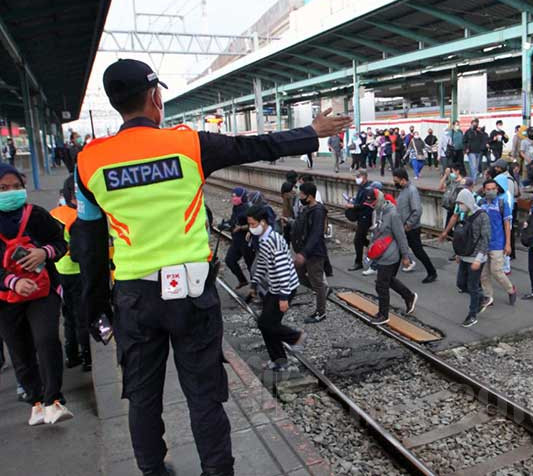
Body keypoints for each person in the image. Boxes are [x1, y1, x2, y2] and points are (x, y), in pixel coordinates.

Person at [72, 59, 349, 476]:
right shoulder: (187, 145)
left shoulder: (89, 162)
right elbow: (256, 146)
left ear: (115, 104)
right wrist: (312, 133)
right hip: (191, 293)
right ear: (155, 97)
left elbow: (88, 246)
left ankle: (153, 470)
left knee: (143, 398)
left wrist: (94, 308)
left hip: (133, 297)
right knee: (204, 394)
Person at [0, 164, 72, 426]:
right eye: (3, 188)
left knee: (47, 340)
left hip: (44, 291)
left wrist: (45, 252)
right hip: (6, 300)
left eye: (16, 187)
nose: (11, 192)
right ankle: (36, 401)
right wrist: (12, 281)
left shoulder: (36, 215)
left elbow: (61, 242)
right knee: (20, 351)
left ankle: (54, 399)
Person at [247, 206, 304, 372]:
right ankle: (279, 360)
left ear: (263, 223)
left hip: (284, 287)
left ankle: (296, 337)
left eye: (253, 224)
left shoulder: (272, 240)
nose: (251, 228)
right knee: (267, 324)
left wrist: (284, 297)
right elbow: (263, 265)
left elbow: (283, 270)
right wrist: (254, 284)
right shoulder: (264, 239)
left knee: (266, 323)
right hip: (275, 286)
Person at [50, 175, 92, 372]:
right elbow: (78, 253)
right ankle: (87, 357)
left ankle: (71, 355)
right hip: (77, 273)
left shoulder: (53, 213)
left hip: (58, 273)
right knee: (82, 316)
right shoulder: (77, 218)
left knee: (68, 316)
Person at [366, 188, 417, 325]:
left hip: (391, 254)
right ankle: (409, 296)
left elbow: (401, 236)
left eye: (373, 202)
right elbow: (376, 231)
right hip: (380, 252)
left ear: (379, 200)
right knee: (387, 280)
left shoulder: (393, 214)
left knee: (381, 284)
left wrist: (406, 256)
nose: (371, 205)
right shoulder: (376, 211)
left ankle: (384, 314)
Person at [293, 182, 330, 324]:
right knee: (300, 275)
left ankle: (321, 312)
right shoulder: (308, 208)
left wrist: (304, 253)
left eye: (302, 194)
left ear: (309, 196)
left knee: (317, 281)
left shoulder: (318, 211)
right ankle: (321, 290)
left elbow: (315, 234)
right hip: (306, 251)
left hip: (314, 253)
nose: (300, 197)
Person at [452, 189, 489, 328]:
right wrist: (459, 254)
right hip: (465, 256)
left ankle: (472, 315)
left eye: (461, 203)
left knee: (472, 286)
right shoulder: (465, 214)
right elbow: (463, 237)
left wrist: (479, 259)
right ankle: (482, 297)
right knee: (461, 283)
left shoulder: (482, 216)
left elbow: (485, 238)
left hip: (476, 258)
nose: (460, 206)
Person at [393, 167, 437, 283]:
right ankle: (390, 275)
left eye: (396, 180)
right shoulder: (404, 190)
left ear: (403, 179)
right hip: (404, 227)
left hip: (410, 228)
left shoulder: (412, 190)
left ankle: (432, 272)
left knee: (418, 251)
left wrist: (409, 224)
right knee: (398, 248)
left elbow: (417, 210)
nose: (395, 183)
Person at [478, 179, 516, 309]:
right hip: (483, 244)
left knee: (496, 271)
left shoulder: (502, 203)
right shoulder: (480, 203)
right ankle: (488, 297)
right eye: (488, 189)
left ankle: (511, 289)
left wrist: (508, 243)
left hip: (497, 243)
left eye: (493, 189)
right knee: (483, 274)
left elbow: (507, 225)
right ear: (484, 190)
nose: (491, 191)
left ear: (497, 189)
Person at [222, 187, 253, 289]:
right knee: (230, 260)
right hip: (236, 241)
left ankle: (256, 289)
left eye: (236, 197)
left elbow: (254, 225)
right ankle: (242, 280)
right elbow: (233, 221)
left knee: (251, 266)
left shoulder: (248, 209)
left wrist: (240, 228)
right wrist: (226, 225)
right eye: (232, 196)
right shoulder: (236, 208)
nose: (233, 198)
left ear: (242, 197)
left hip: (246, 242)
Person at [346, 169, 372, 272]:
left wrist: (352, 205)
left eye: (358, 177)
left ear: (364, 177)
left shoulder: (368, 189)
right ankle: (375, 249)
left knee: (358, 240)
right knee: (362, 239)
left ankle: (358, 262)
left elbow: (365, 205)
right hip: (362, 217)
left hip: (365, 217)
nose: (356, 179)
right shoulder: (362, 188)